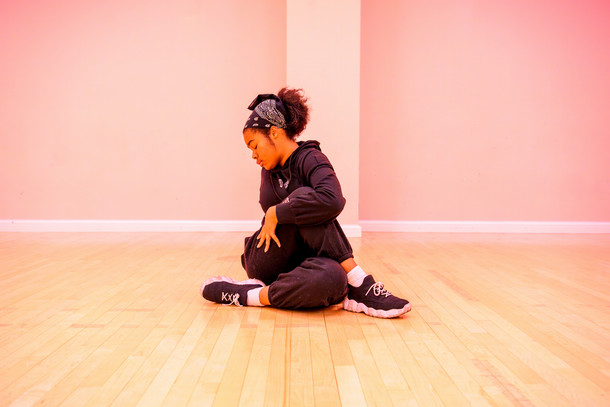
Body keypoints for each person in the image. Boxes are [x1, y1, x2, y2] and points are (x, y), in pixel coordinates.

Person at [200, 88, 411, 318]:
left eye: (254, 145)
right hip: (268, 256)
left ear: (274, 133)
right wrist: (276, 212)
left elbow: (333, 199)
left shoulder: (310, 158)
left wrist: (277, 212)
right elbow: (306, 204)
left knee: (333, 279)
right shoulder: (268, 169)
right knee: (304, 197)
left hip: (311, 263)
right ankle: (359, 280)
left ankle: (250, 295)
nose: (253, 155)